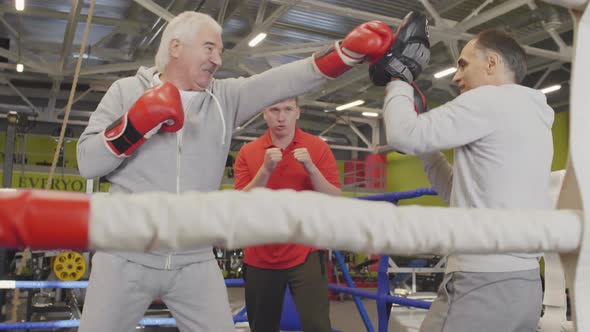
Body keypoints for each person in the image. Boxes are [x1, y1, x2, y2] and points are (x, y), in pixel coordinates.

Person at [75, 11, 393, 332]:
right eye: (209, 48)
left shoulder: (224, 99)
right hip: (123, 255)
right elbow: (88, 162)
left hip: (194, 259)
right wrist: (134, 126)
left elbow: (283, 80)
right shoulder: (126, 91)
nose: (217, 59)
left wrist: (345, 53)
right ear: (175, 47)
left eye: (221, 51)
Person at [370, 12, 553, 332]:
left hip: (480, 283)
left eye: (464, 64)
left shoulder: (489, 100)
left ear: (492, 63)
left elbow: (401, 135)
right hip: (523, 285)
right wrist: (426, 146)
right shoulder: (532, 116)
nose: (456, 76)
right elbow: (459, 191)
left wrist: (400, 78)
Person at [234, 97, 341, 332]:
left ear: (297, 113)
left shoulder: (317, 147)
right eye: (274, 110)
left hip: (306, 251)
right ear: (265, 113)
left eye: (287, 110)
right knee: (262, 327)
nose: (281, 117)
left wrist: (311, 169)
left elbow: (335, 198)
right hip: (260, 252)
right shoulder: (249, 152)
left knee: (318, 326)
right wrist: (265, 170)